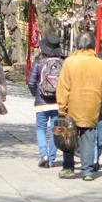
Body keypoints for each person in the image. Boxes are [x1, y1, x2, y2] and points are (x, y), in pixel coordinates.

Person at [56, 31, 102, 181]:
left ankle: (68, 168)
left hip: (72, 106)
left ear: (77, 44)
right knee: (88, 138)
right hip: (92, 106)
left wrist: (62, 107)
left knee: (69, 137)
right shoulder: (101, 64)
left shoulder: (70, 62)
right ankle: (87, 171)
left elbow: (63, 86)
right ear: (93, 45)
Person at [27, 34, 64, 168]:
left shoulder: (38, 62)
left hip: (42, 101)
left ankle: (44, 155)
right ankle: (52, 159)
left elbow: (31, 82)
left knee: (41, 128)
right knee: (55, 130)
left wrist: (36, 94)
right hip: (58, 102)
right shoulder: (63, 62)